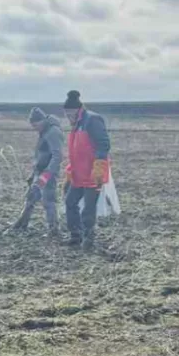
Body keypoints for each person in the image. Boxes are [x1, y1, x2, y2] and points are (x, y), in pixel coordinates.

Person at [62, 90, 111, 249]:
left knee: (88, 210)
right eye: (66, 113)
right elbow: (76, 152)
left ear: (78, 109)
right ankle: (75, 235)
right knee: (70, 202)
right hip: (78, 175)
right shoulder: (76, 125)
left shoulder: (92, 120)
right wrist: (70, 171)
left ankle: (88, 240)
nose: (68, 116)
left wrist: (98, 167)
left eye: (71, 112)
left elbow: (103, 144)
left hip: (92, 175)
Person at [11, 107, 63, 236]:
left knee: (48, 201)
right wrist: (33, 174)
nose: (34, 128)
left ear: (41, 120)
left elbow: (57, 156)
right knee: (30, 198)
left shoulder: (53, 132)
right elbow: (41, 154)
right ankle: (22, 224)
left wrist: (46, 175)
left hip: (48, 173)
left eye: (35, 125)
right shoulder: (44, 131)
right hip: (39, 171)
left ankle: (53, 229)